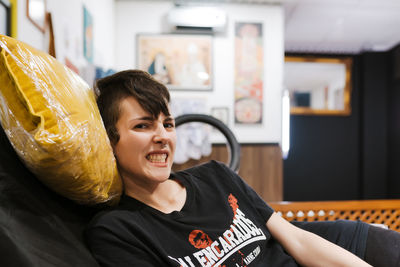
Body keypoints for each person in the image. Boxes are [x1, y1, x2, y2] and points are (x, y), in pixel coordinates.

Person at [85, 69, 400, 267]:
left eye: (168, 124)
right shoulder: (117, 230)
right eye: (143, 126)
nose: (163, 137)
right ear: (110, 141)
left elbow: (298, 240)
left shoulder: (215, 176)